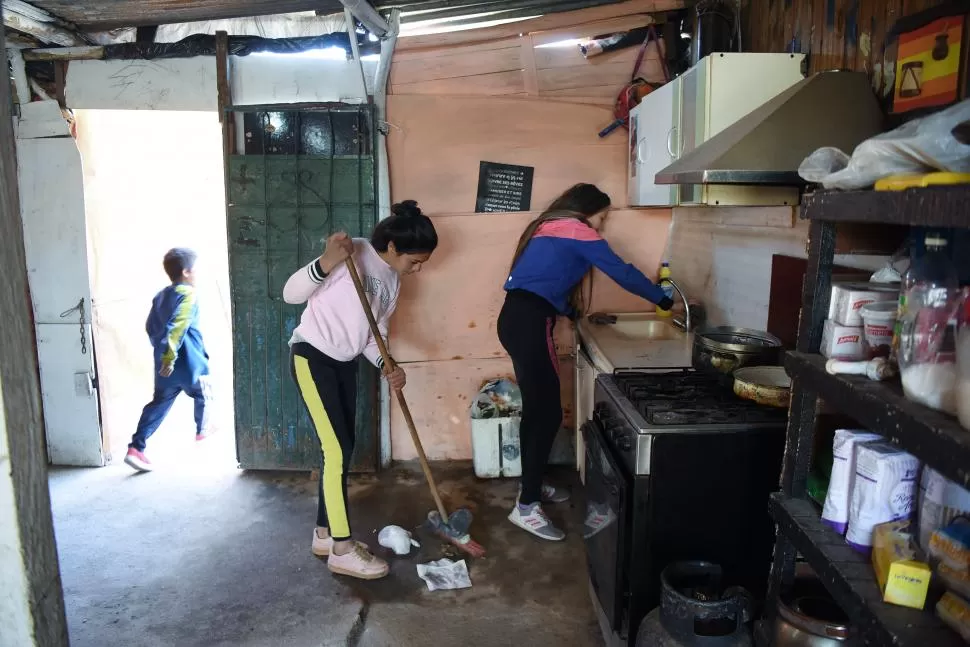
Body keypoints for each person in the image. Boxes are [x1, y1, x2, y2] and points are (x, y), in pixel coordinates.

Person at [498, 184, 674, 541]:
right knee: (545, 413)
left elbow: (544, 279)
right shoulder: (577, 230)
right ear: (587, 211)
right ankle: (526, 506)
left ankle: (530, 484)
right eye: (603, 217)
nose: (603, 225)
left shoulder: (549, 228)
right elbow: (621, 271)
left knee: (537, 410)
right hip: (530, 324)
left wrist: (570, 310)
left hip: (518, 319)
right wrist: (663, 298)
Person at [283, 200, 438, 580]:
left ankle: (324, 533)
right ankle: (341, 549)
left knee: (344, 448)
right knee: (335, 451)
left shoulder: (392, 281)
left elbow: (374, 334)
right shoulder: (353, 252)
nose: (417, 269)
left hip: (344, 363)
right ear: (391, 248)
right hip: (312, 357)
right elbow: (291, 293)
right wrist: (325, 261)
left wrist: (388, 365)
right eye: (414, 261)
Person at [125, 248, 213, 472]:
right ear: (186, 272)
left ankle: (136, 448)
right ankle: (203, 432)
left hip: (165, 370)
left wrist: (161, 354)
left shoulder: (161, 295)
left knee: (158, 404)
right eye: (196, 270)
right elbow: (178, 325)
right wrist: (169, 358)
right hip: (188, 363)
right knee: (205, 393)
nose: (197, 275)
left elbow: (150, 327)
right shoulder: (188, 294)